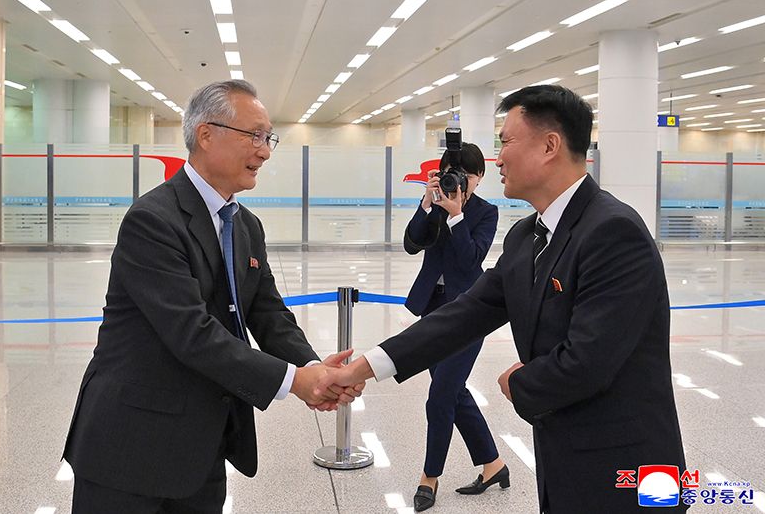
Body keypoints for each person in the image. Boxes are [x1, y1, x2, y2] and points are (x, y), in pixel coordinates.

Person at [319, 85, 687, 513]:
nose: (498, 160)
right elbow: (466, 314)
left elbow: (588, 362)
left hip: (627, 472)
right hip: (563, 459)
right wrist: (362, 368)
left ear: (550, 146)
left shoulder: (613, 231)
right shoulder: (527, 235)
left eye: (506, 142)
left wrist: (519, 383)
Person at [62, 80, 362, 513]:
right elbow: (192, 332)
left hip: (203, 444)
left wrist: (313, 367)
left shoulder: (245, 225)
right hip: (130, 446)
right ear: (206, 135)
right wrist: (294, 381)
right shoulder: (153, 220)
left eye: (268, 138)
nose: (265, 151)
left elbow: (268, 312)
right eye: (254, 135)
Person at [403, 142, 507, 511]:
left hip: (468, 312)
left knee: (440, 396)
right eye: (452, 173)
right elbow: (411, 245)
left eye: (468, 175)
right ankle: (493, 464)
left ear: (479, 178)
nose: (460, 180)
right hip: (432, 308)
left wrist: (457, 216)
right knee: (453, 391)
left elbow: (470, 260)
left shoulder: (486, 212)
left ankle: (429, 477)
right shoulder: (436, 203)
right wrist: (427, 206)